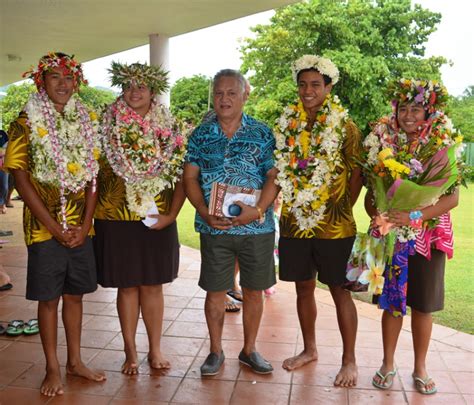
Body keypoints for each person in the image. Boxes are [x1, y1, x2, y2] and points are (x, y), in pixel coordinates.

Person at [3, 52, 105, 396]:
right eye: (54, 77)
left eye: (68, 77)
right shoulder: (25, 123)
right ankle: (51, 367)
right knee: (48, 300)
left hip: (81, 229)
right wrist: (54, 226)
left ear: (76, 81)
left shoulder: (87, 120)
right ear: (41, 82)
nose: (62, 84)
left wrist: (85, 222)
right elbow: (19, 177)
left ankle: (75, 362)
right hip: (44, 229)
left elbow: (93, 177)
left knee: (75, 296)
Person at [365, 79, 463, 395]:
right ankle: (387, 363)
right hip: (393, 235)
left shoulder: (441, 146)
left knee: (423, 305)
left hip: (428, 238)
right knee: (393, 303)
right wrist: (376, 212)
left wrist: (413, 216)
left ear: (428, 111)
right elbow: (371, 191)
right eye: (403, 109)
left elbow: (452, 199)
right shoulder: (381, 142)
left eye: (416, 109)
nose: (409, 116)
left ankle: (420, 367)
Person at [274, 55, 363, 386]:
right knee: (303, 287)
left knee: (340, 290)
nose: (307, 90)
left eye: (315, 84)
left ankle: (349, 360)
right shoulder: (287, 124)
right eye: (302, 84)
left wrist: (341, 207)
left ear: (328, 87)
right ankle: (310, 349)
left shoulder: (345, 126)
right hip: (295, 222)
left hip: (335, 226)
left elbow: (356, 174)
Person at [183, 69, 279, 376]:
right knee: (215, 291)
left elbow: (273, 177)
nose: (224, 99)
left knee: (253, 290)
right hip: (215, 226)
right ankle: (215, 351)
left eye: (231, 93)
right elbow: (190, 178)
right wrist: (202, 209)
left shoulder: (263, 133)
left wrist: (259, 209)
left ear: (245, 95)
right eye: (219, 93)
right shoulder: (199, 135)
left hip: (257, 228)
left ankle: (249, 350)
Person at [94, 62, 187, 375]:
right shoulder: (104, 124)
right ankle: (130, 350)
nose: (134, 92)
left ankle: (155, 348)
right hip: (116, 217)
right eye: (129, 86)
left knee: (152, 286)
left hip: (155, 217)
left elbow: (181, 176)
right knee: (127, 286)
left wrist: (172, 215)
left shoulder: (169, 125)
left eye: (141, 87)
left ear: (153, 91)